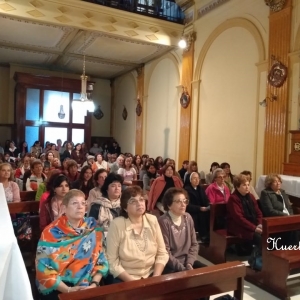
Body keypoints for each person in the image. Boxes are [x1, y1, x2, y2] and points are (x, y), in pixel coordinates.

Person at [36, 189, 109, 300]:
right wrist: (68, 290)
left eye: (83, 203)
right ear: (64, 208)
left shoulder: (93, 228)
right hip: (59, 284)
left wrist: (95, 284)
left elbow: (101, 260)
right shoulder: (50, 232)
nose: (80, 206)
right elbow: (43, 268)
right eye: (75, 203)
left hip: (89, 281)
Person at [106, 186, 168, 282]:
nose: (139, 204)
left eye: (141, 200)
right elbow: (112, 262)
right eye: (133, 201)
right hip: (126, 277)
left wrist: (156, 276)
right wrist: (134, 283)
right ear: (125, 208)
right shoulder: (117, 224)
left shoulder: (152, 220)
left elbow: (162, 253)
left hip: (151, 274)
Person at [158, 187, 208, 297]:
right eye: (178, 201)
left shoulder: (187, 217)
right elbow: (165, 252)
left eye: (185, 201)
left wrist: (189, 263)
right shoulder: (163, 221)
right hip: (171, 266)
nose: (183, 204)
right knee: (187, 287)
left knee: (207, 276)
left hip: (188, 262)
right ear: (169, 205)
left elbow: (194, 244)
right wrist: (183, 268)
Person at [260, 173, 298, 247]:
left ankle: (295, 253)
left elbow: (289, 207)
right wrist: (286, 216)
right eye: (275, 181)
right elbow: (269, 211)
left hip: (288, 218)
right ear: (269, 183)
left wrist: (291, 217)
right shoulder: (265, 193)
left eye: (279, 181)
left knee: (296, 228)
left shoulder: (282, 192)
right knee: (293, 231)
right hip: (276, 219)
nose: (278, 183)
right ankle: (290, 252)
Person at [227, 174, 262, 250]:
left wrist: (259, 224)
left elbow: (258, 212)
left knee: (269, 235)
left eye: (248, 185)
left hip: (252, 224)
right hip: (238, 226)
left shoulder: (251, 196)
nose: (247, 187)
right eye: (244, 185)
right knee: (259, 238)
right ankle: (259, 259)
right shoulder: (233, 199)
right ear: (237, 187)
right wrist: (254, 228)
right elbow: (239, 218)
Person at [185, 172, 210, 243]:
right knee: (201, 216)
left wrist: (208, 205)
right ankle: (204, 236)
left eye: (198, 178)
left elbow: (206, 199)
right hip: (193, 211)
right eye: (194, 178)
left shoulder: (200, 188)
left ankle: (210, 236)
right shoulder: (187, 190)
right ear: (190, 180)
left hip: (203, 209)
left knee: (211, 215)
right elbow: (187, 205)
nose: (197, 180)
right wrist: (199, 208)